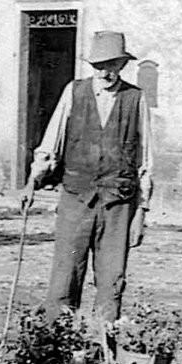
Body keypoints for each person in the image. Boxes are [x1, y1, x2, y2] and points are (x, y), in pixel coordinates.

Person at [21, 30, 153, 323]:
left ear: (122, 64)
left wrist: (141, 213)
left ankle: (104, 353)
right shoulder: (74, 91)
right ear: (91, 66)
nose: (106, 72)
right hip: (76, 198)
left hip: (118, 204)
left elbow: (145, 161)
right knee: (65, 274)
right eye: (99, 65)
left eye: (112, 64)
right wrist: (33, 180)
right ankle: (55, 349)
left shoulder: (135, 99)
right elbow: (51, 142)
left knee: (111, 279)